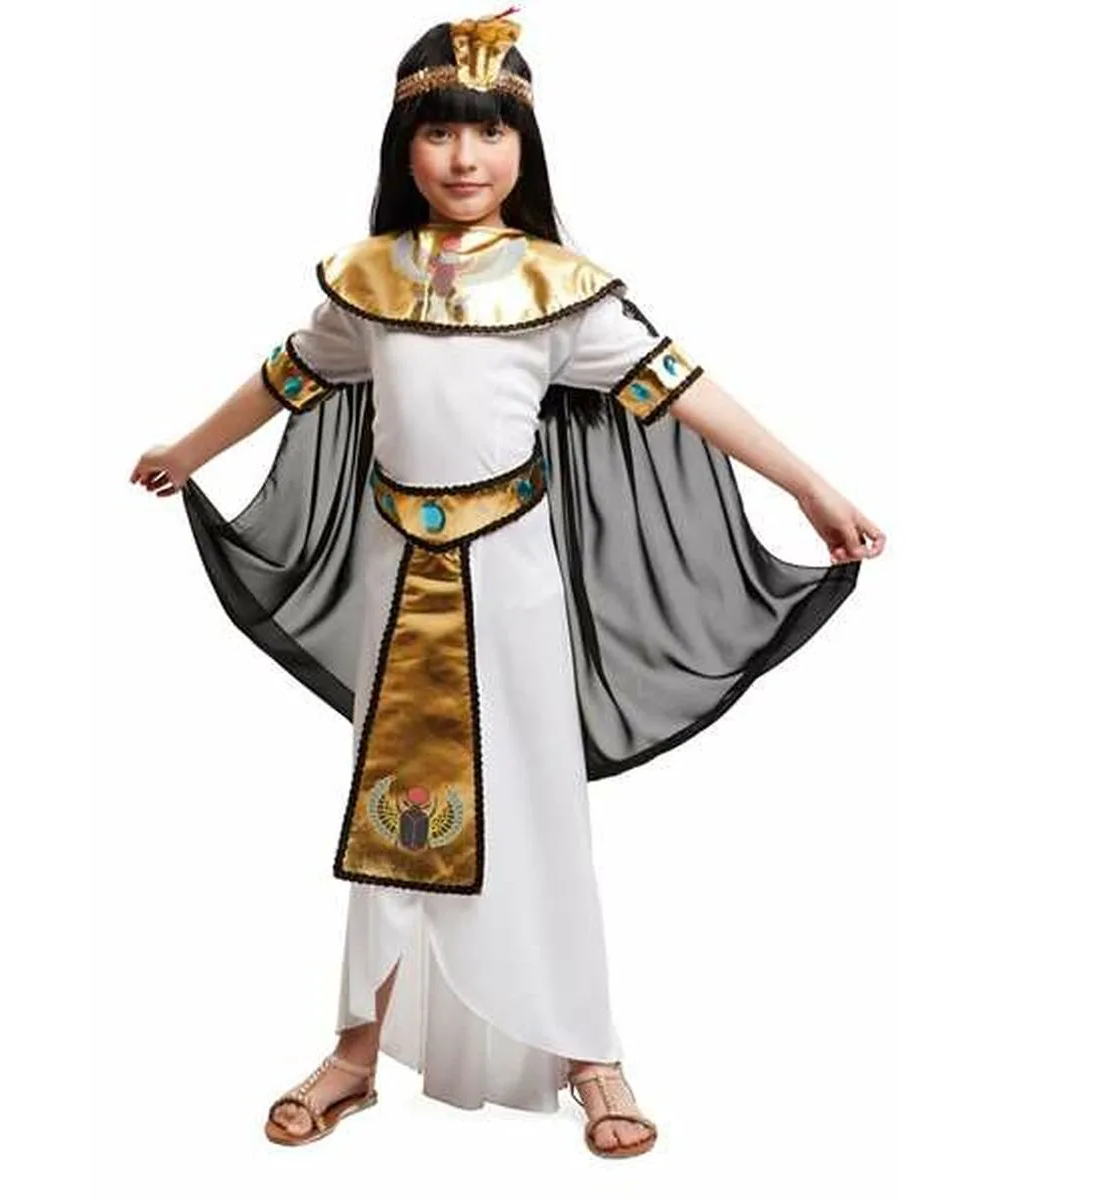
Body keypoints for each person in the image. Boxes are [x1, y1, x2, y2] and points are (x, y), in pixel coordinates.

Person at [130, 9, 884, 1159]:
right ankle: (355, 1054)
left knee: (536, 808)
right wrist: (189, 450)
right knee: (387, 815)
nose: (465, 158)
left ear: (524, 148)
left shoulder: (558, 288)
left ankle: (591, 1055)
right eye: (439, 133)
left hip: (511, 584)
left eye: (489, 133)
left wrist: (810, 485)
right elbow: (289, 375)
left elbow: (684, 390)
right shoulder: (368, 282)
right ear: (405, 149)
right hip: (397, 582)